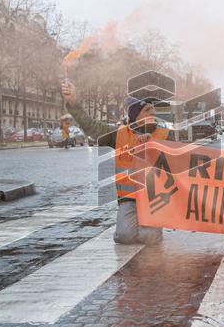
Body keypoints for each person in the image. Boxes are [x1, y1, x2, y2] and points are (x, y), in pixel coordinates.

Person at [62, 80, 173, 245]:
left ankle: (152, 226)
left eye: (153, 110)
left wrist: (153, 145)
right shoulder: (119, 134)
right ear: (135, 116)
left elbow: (188, 156)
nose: (152, 113)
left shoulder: (165, 135)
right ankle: (135, 224)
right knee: (124, 237)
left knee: (149, 238)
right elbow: (90, 126)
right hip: (129, 199)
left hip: (154, 199)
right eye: (147, 110)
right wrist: (73, 101)